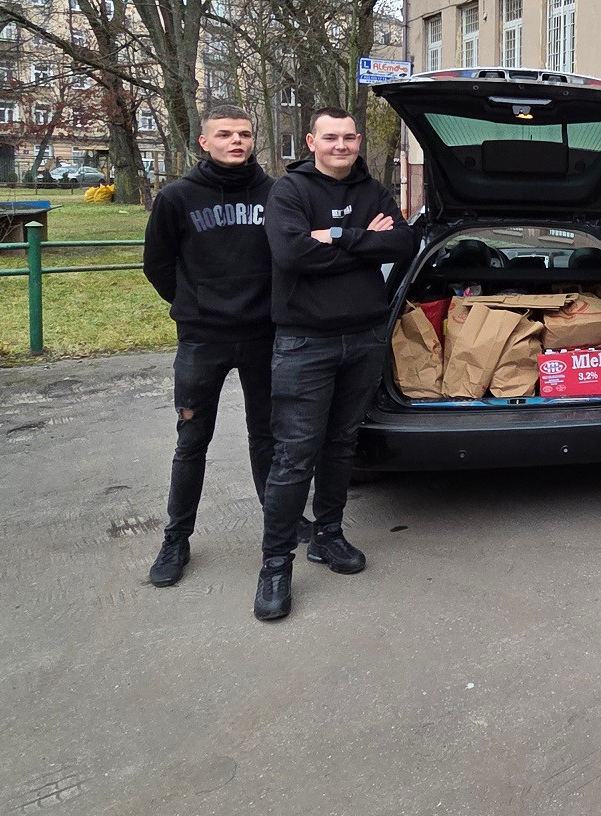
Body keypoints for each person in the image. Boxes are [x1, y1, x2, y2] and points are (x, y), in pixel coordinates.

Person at [253, 108, 415, 621]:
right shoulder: (289, 191)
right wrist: (365, 242)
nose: (340, 145)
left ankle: (328, 535)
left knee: (341, 444)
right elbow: (292, 255)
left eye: (348, 137)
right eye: (330, 137)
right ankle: (275, 566)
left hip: (364, 338)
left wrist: (337, 236)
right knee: (294, 455)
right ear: (311, 141)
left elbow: (403, 243)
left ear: (358, 141)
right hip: (305, 341)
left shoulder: (373, 190)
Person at [141, 104, 276, 586]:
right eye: (224, 134)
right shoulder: (176, 197)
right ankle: (176, 539)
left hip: (263, 335)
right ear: (204, 142)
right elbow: (157, 264)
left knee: (268, 437)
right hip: (202, 339)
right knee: (192, 441)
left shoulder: (275, 193)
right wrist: (192, 304)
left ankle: (279, 521)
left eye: (244, 133)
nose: (236, 141)